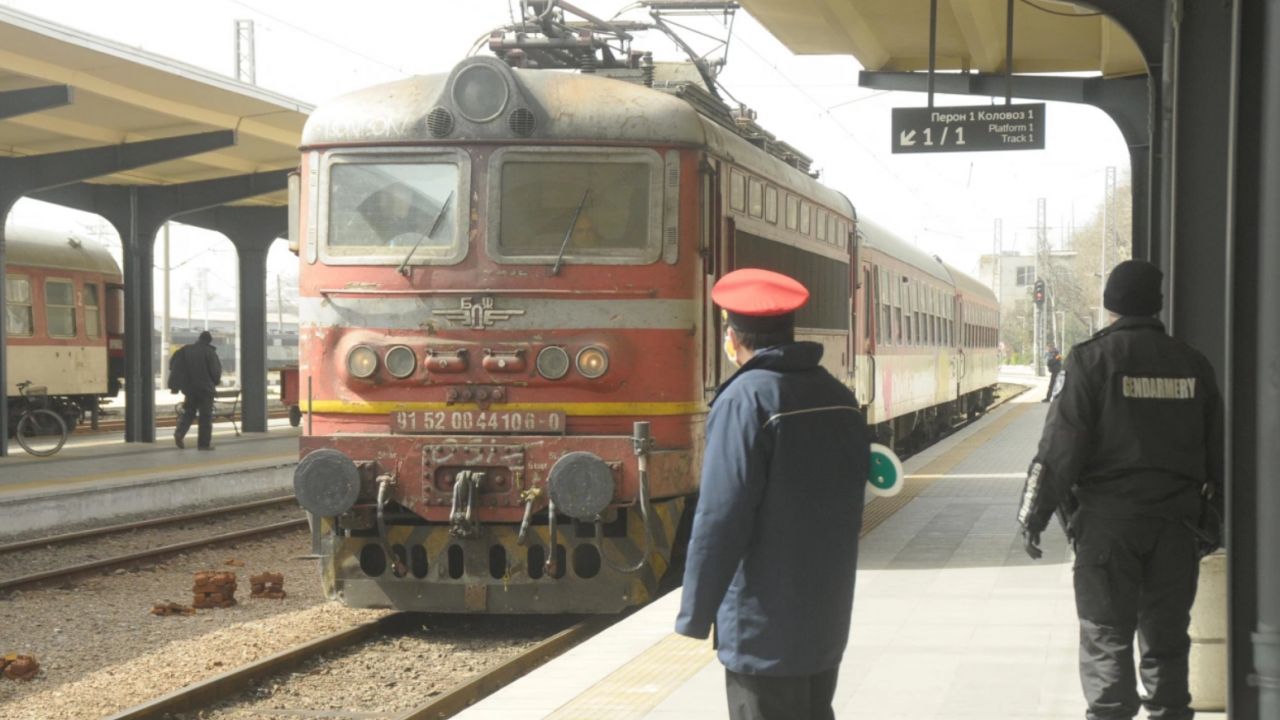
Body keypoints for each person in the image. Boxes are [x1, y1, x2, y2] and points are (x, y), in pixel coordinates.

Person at [1018, 260, 1224, 720]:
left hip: (1108, 528)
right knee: (1168, 638)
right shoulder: (1193, 363)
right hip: (1177, 525)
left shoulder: (1090, 360)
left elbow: (1058, 451)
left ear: (1110, 305)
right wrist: (1213, 519)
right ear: (1158, 306)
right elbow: (1218, 453)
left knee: (1106, 635)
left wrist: (1031, 516)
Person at [675, 268, 871, 720]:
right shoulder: (838, 395)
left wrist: (695, 613)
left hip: (761, 621)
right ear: (789, 329)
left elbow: (722, 514)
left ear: (733, 336)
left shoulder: (745, 400)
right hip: (824, 616)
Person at [168, 330, 223, 451]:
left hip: (189, 389)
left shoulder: (185, 350)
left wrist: (176, 386)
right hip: (205, 390)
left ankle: (180, 433)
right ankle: (203, 445)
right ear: (209, 341)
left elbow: (173, 365)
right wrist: (214, 382)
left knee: (189, 412)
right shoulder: (210, 352)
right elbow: (215, 372)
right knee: (205, 417)